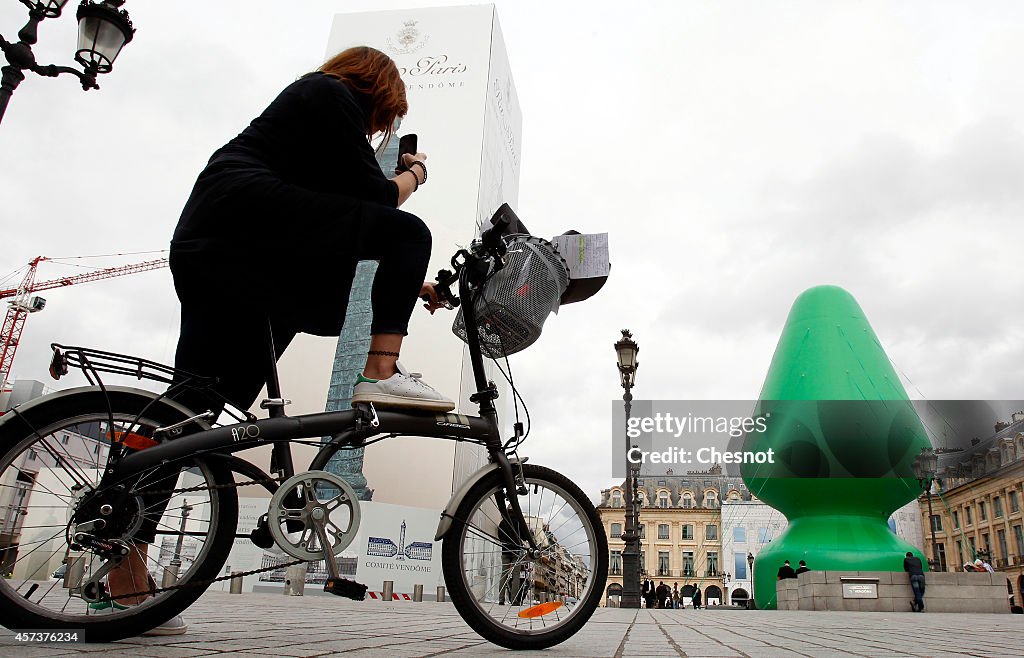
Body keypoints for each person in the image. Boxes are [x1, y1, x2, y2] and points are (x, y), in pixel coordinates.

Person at [103, 46, 455, 636]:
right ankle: (381, 371)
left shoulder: (309, 115)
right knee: (407, 231)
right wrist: (414, 174)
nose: (380, 128)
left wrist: (407, 281)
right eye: (385, 115)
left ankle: (120, 563)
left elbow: (335, 215)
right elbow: (375, 200)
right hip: (244, 247)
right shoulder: (327, 94)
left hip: (231, 253)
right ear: (377, 90)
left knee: (188, 414)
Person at [498, 505, 529, 606]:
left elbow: (500, 536)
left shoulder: (502, 523)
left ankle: (501, 599)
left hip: (505, 550)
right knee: (516, 575)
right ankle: (514, 600)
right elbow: (524, 537)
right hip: (516, 550)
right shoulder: (519, 523)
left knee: (504, 574)